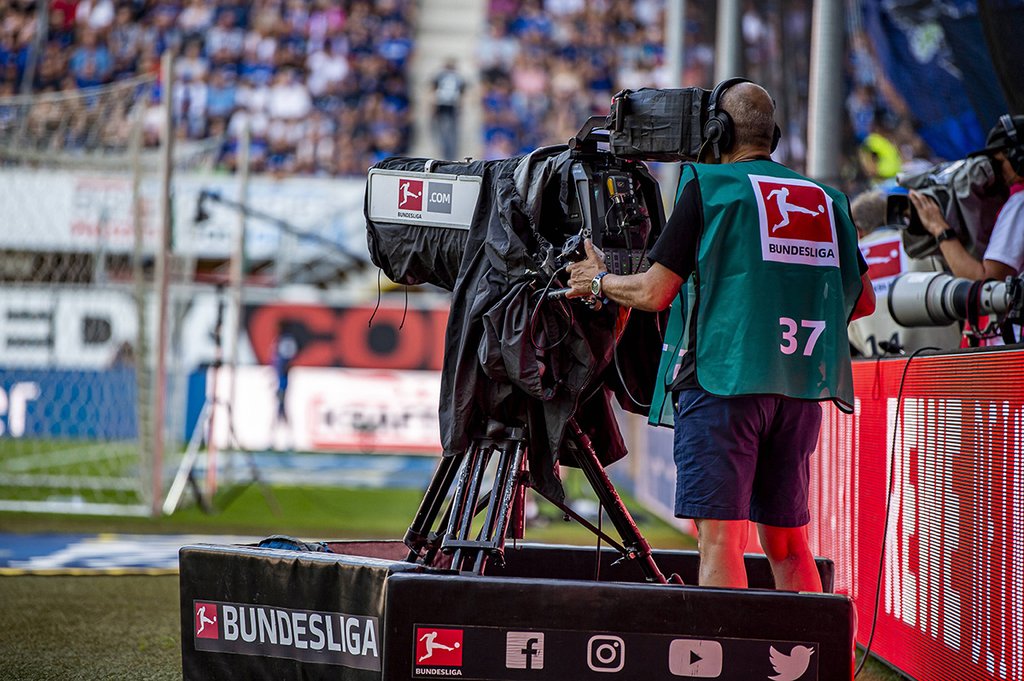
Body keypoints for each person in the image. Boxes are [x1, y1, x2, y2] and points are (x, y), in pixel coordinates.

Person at [567, 79, 875, 590]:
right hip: (799, 389)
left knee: (721, 542)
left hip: (722, 383)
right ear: (772, 133)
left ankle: (720, 661)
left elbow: (653, 293)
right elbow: (861, 300)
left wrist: (596, 281)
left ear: (718, 131)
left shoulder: (708, 187)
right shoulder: (827, 200)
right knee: (790, 545)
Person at [910, 114, 1024, 280]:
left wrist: (939, 228)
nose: (999, 173)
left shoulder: (1019, 204)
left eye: (1000, 162)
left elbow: (987, 284)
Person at [847, 190, 961, 356]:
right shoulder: (923, 245)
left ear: (857, 230)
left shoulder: (852, 259)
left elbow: (851, 329)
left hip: (881, 371)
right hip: (944, 364)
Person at [431, 59, 466, 160]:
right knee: (446, 131)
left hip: (446, 104)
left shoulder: (443, 76)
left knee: (449, 131)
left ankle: (449, 154)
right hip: (446, 104)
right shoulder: (456, 77)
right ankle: (447, 153)